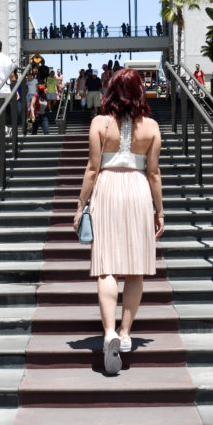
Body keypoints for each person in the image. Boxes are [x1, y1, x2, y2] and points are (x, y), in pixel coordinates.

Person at [72, 69, 164, 374]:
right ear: (139, 90)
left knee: (107, 266)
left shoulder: (100, 123)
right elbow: (153, 173)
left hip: (108, 189)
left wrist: (80, 204)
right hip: (138, 190)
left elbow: (92, 168)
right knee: (136, 268)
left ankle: (109, 331)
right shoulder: (151, 127)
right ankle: (125, 334)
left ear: (111, 90)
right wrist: (159, 211)